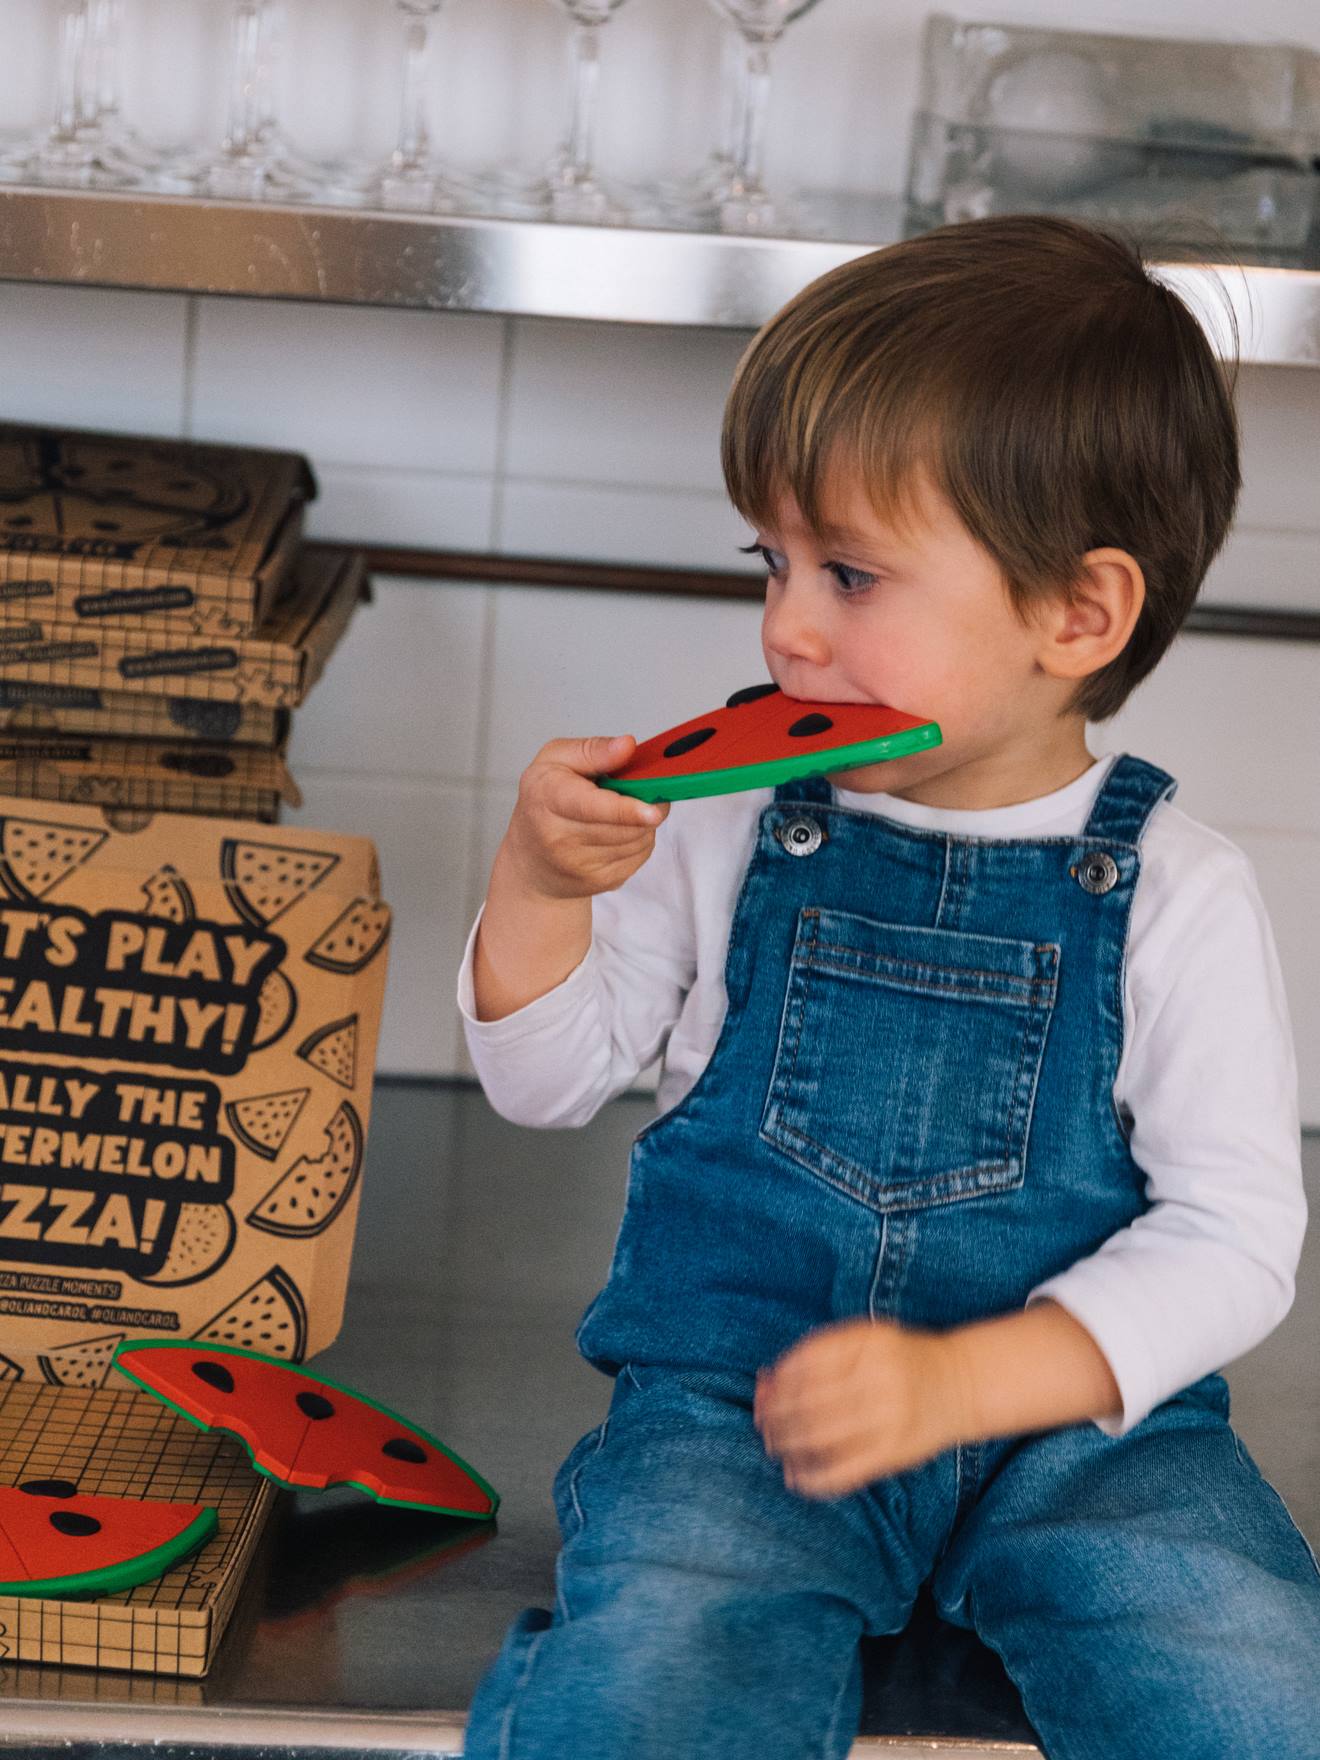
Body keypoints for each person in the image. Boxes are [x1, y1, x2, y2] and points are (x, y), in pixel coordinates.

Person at [455, 213, 1320, 1759]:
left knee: (1256, 1688)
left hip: (1086, 1439)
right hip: (747, 1415)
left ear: (1080, 614)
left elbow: (1239, 1236)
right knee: (659, 1678)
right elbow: (544, 1082)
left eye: (851, 572)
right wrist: (536, 887)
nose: (787, 624)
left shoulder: (1178, 891)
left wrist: (969, 1384)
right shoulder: (723, 817)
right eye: (773, 560)